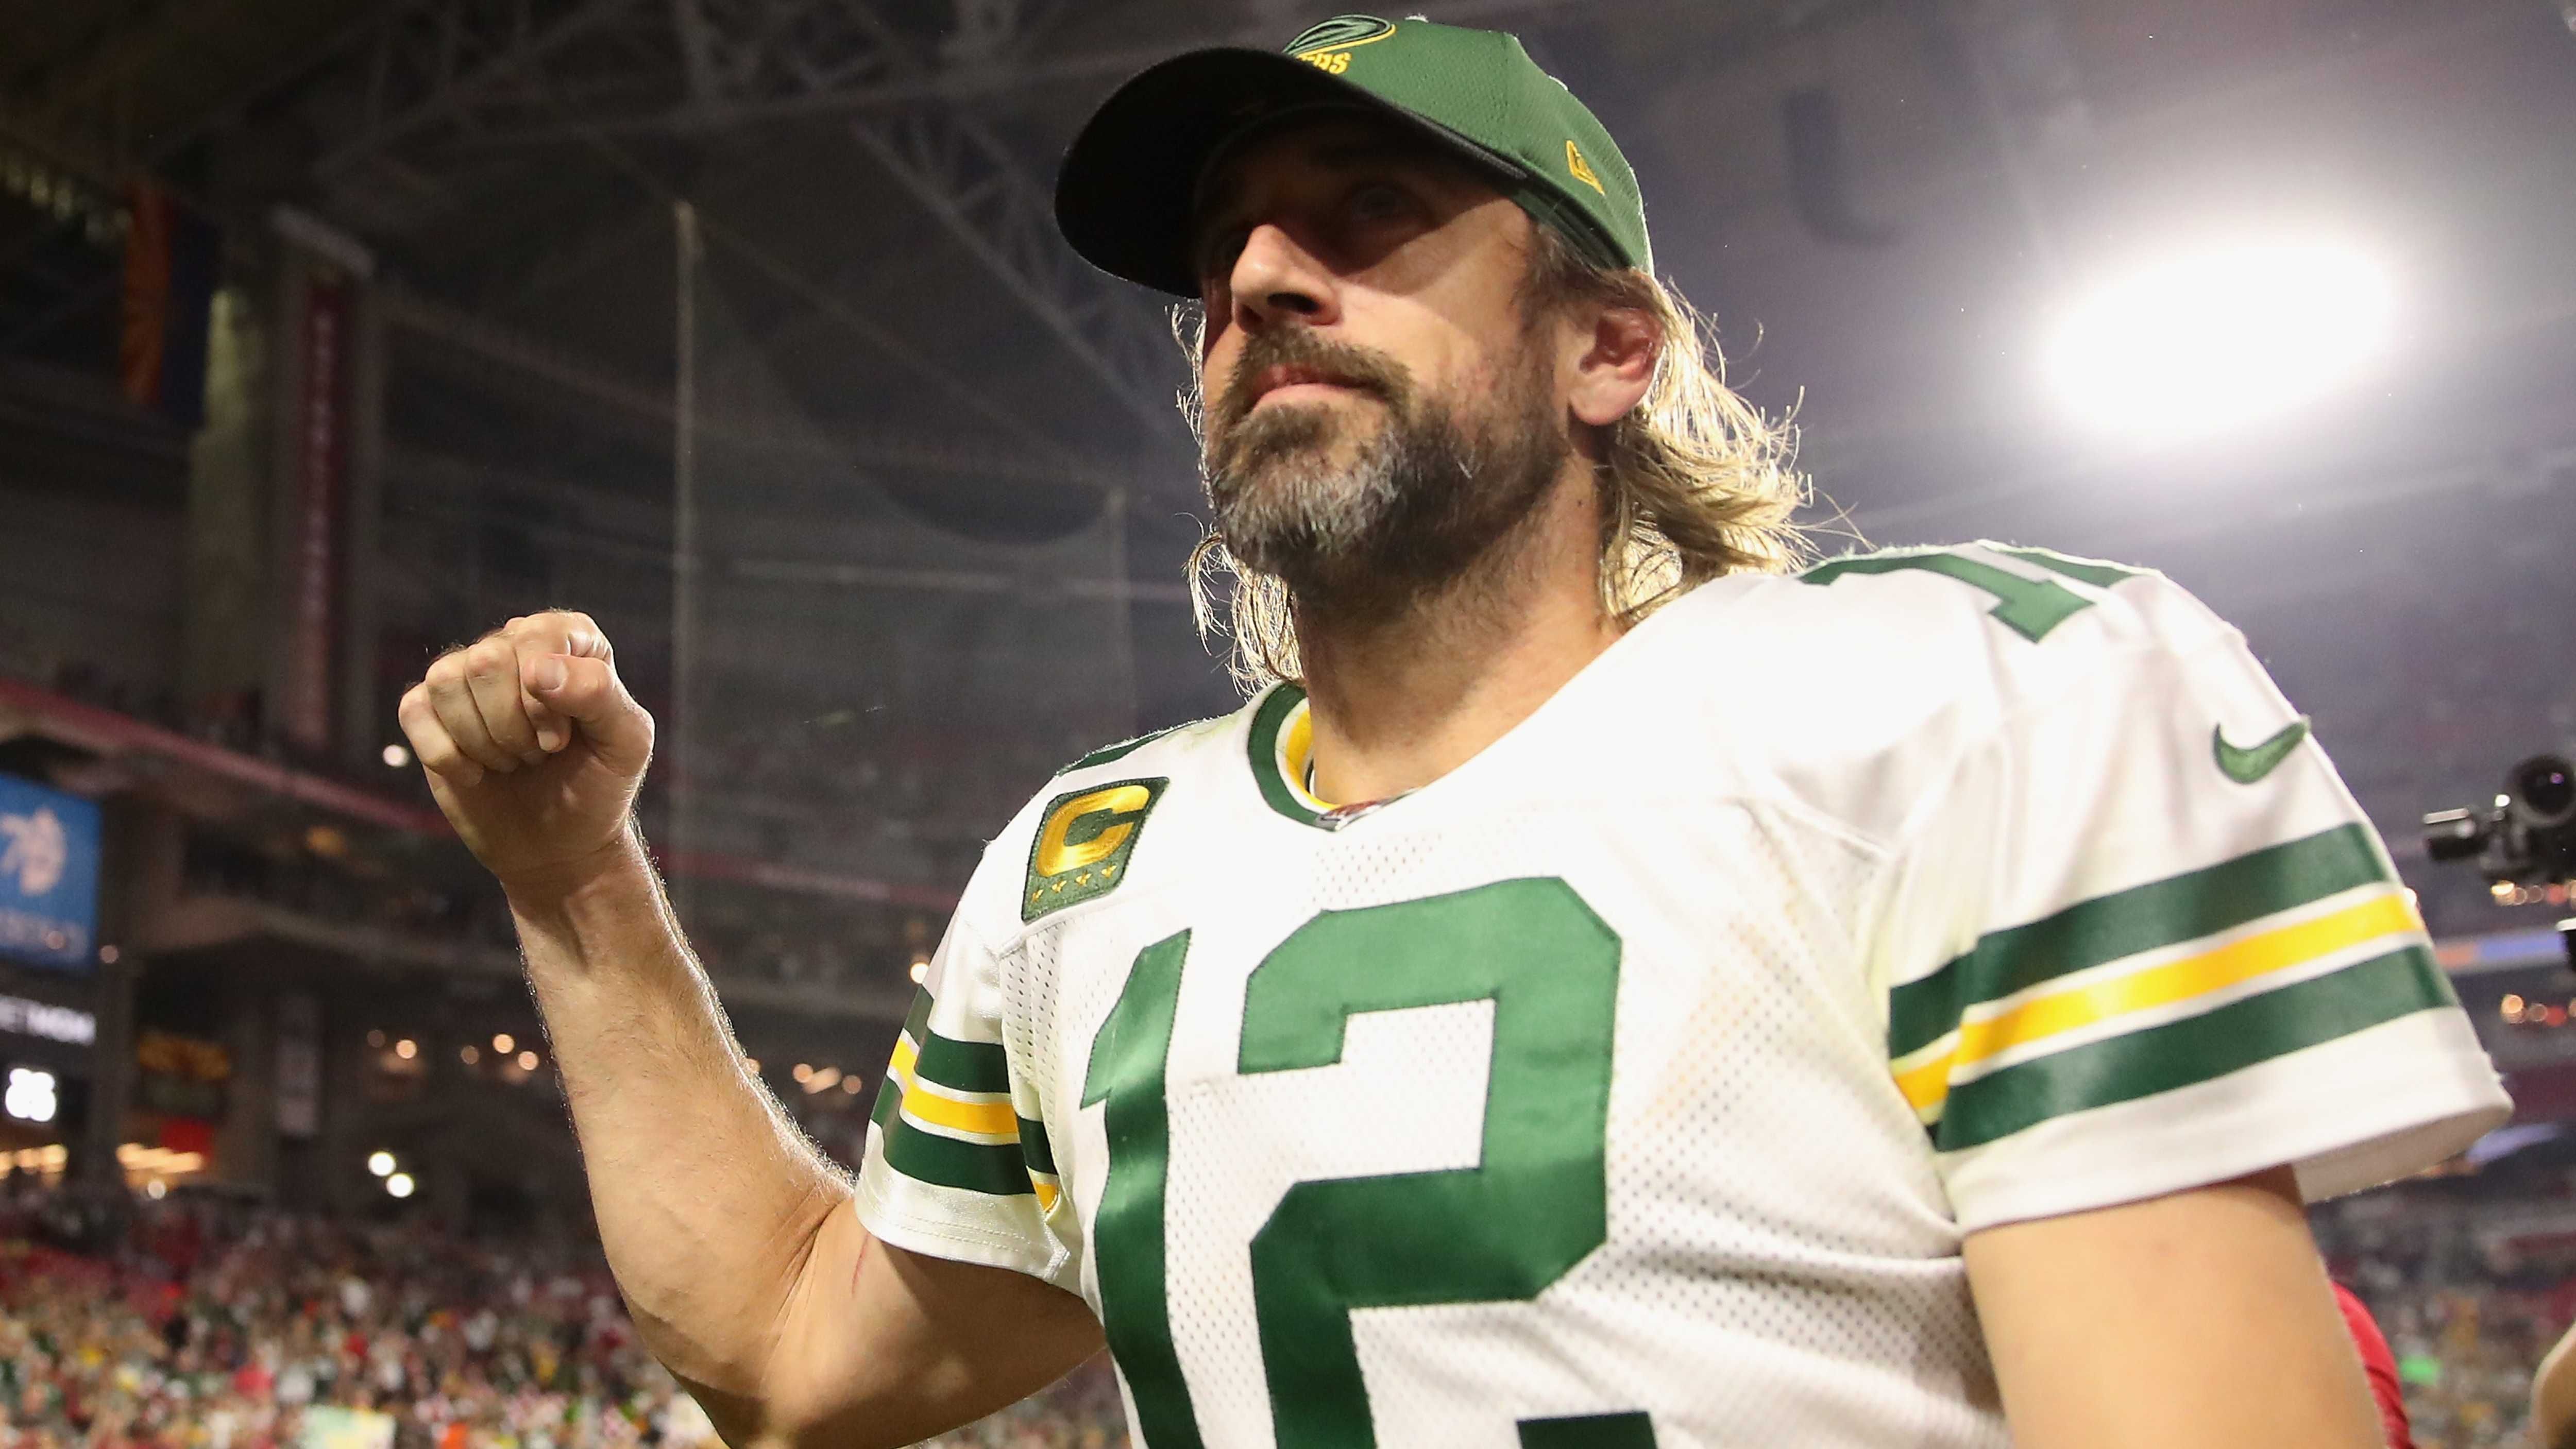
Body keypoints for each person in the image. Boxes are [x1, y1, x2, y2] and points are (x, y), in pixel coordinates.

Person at [396, 13, 2514, 1448]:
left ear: (1609, 350)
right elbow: (788, 1350)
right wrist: (573, 877)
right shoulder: (1080, 868)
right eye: (1222, 254)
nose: (1256, 275)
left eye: (1368, 214)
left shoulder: (1972, 693)